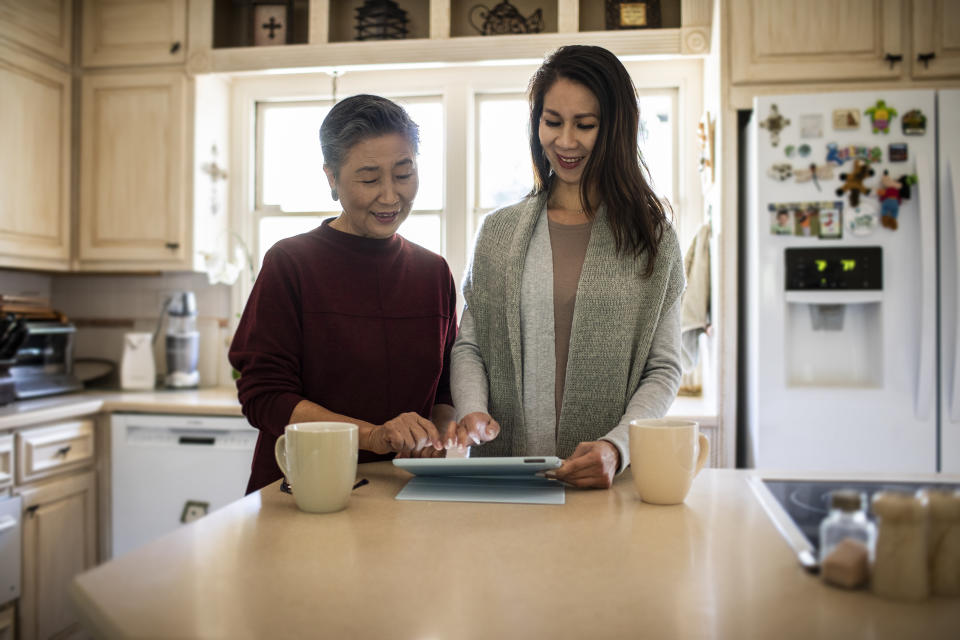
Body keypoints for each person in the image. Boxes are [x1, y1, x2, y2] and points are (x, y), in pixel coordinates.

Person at [447, 45, 685, 489]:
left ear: (615, 129)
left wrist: (617, 447)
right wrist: (472, 410)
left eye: (586, 125)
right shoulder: (498, 232)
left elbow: (664, 367)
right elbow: (471, 346)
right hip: (506, 481)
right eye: (552, 121)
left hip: (607, 482)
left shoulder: (652, 239)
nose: (566, 141)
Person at [230, 94, 457, 494]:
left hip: (405, 493)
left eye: (404, 174)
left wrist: (435, 439)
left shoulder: (432, 272)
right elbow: (265, 395)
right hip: (302, 489)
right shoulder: (290, 263)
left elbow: (444, 390)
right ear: (331, 177)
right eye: (369, 179)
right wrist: (372, 436)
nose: (390, 196)